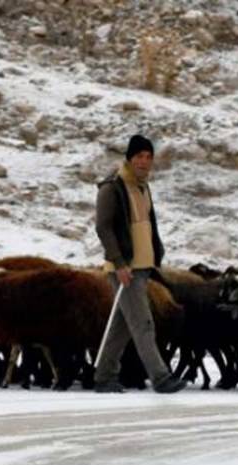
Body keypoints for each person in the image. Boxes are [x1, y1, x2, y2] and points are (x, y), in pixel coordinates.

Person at [93, 134, 186, 394]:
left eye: (148, 157)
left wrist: (157, 254)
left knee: (121, 326)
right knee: (143, 323)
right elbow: (103, 228)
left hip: (142, 267)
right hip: (125, 268)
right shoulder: (112, 186)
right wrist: (120, 263)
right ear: (129, 158)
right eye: (139, 157)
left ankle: (103, 376)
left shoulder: (143, 187)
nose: (144, 162)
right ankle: (160, 377)